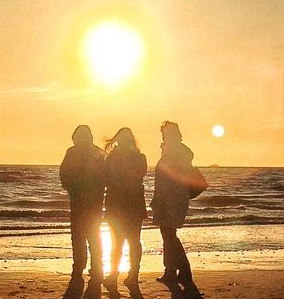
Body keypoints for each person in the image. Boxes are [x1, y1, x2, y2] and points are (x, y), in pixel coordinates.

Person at [151, 120, 199, 289]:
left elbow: (168, 179)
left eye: (167, 134)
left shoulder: (175, 153)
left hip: (171, 199)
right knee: (168, 235)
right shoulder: (178, 151)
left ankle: (184, 271)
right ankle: (171, 271)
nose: (165, 137)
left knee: (169, 235)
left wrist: (159, 199)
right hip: (175, 198)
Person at [59, 125, 106, 280]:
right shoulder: (96, 152)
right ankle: (93, 267)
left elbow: (65, 175)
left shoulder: (76, 152)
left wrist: (73, 188)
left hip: (83, 199)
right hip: (90, 199)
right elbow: (65, 175)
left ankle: (82, 267)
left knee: (81, 234)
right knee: (91, 233)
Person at [103, 127, 147, 288]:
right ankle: (130, 274)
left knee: (120, 241)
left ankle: (119, 274)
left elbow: (106, 177)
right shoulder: (139, 157)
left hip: (120, 203)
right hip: (131, 203)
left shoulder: (115, 157)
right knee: (132, 240)